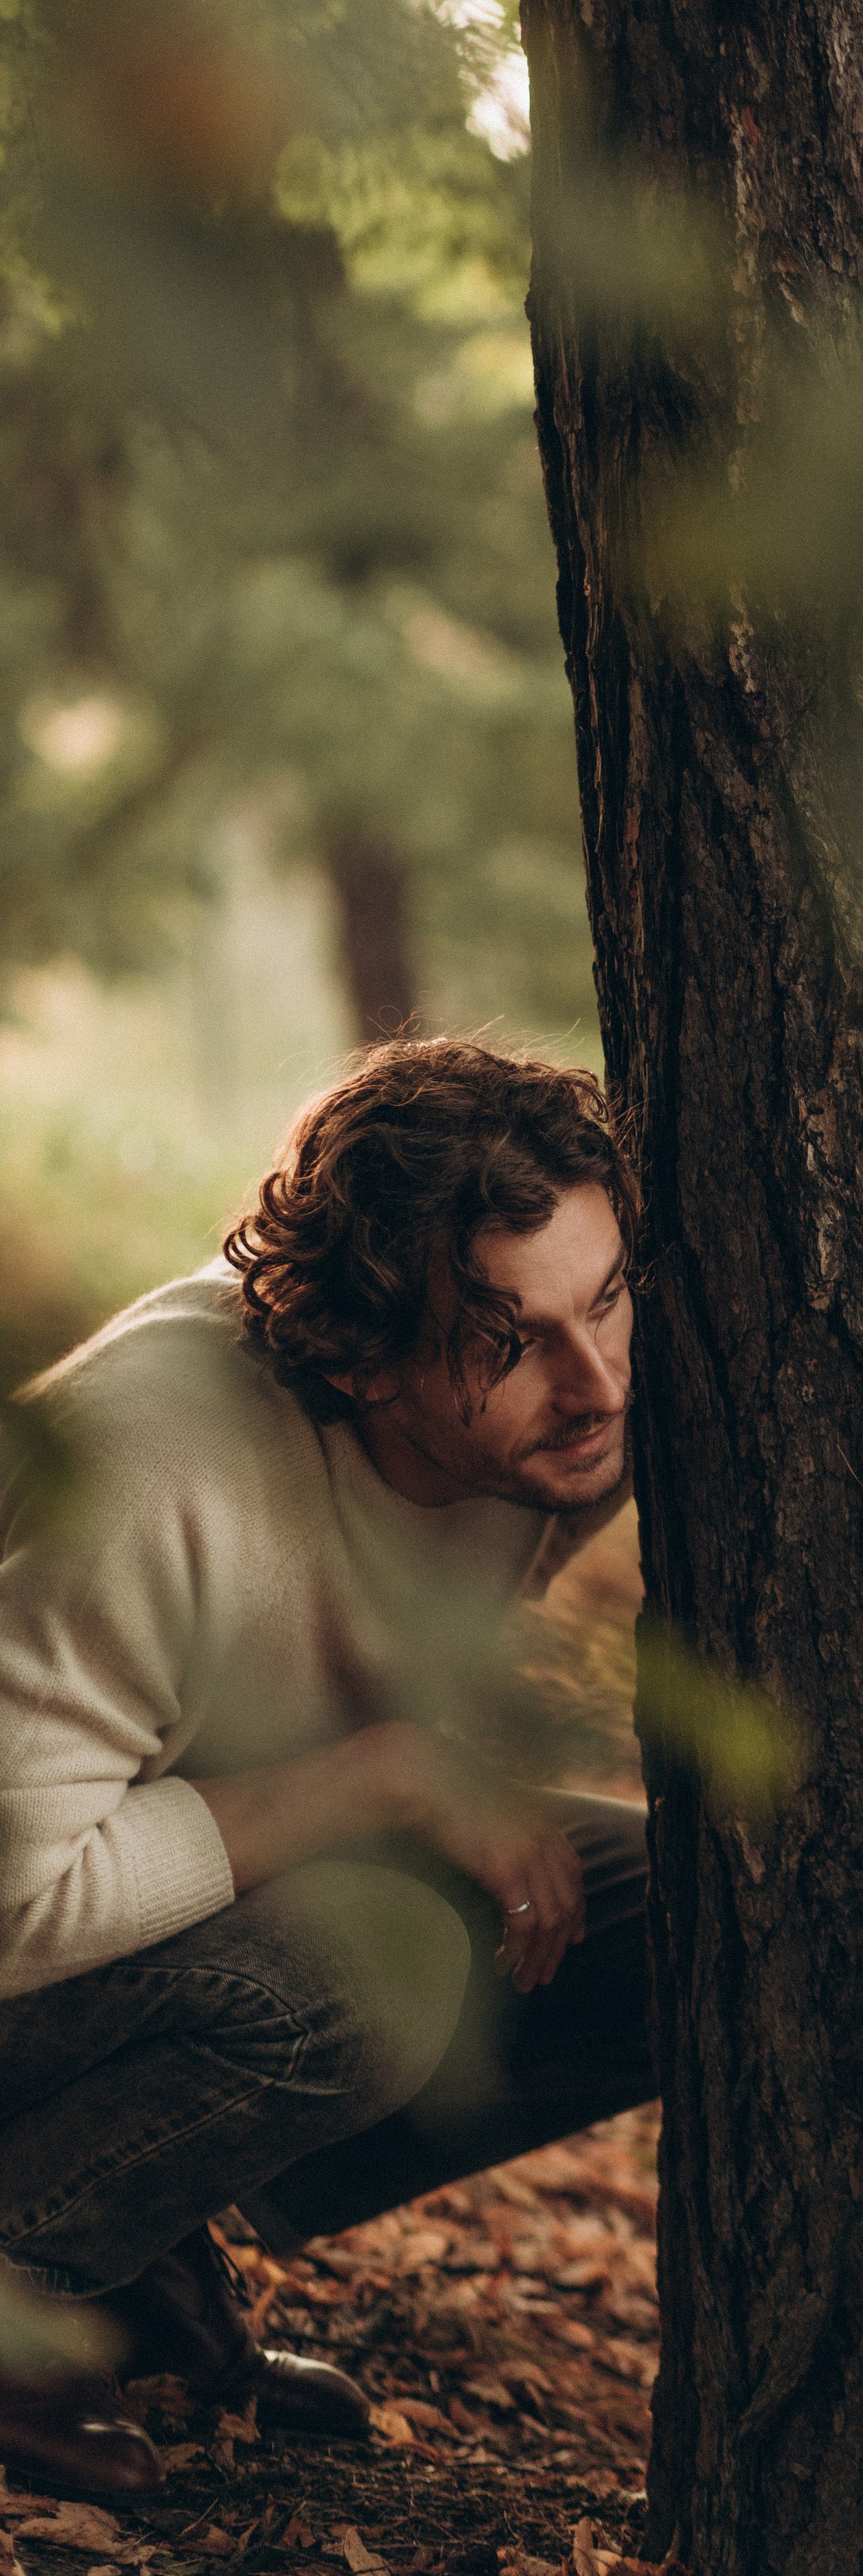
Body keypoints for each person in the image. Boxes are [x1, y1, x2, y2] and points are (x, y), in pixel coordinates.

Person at [0, 1040, 655, 2501]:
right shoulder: (146, 1472)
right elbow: (11, 1908)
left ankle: (132, 2241)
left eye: (607, 1298)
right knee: (382, 1971)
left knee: (674, 1910)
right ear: (354, 1356)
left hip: (175, 1878)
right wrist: (383, 1778)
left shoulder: (582, 1407)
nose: (597, 1381)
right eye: (509, 1341)